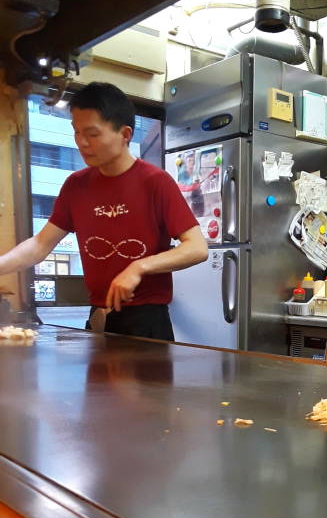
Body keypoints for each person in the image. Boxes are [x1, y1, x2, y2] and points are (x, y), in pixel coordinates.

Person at [0, 82, 208, 340]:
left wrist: (138, 267)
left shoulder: (155, 182)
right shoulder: (76, 185)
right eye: (76, 132)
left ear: (125, 134)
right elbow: (40, 245)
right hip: (99, 316)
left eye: (92, 134)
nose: (82, 143)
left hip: (146, 320)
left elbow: (197, 248)